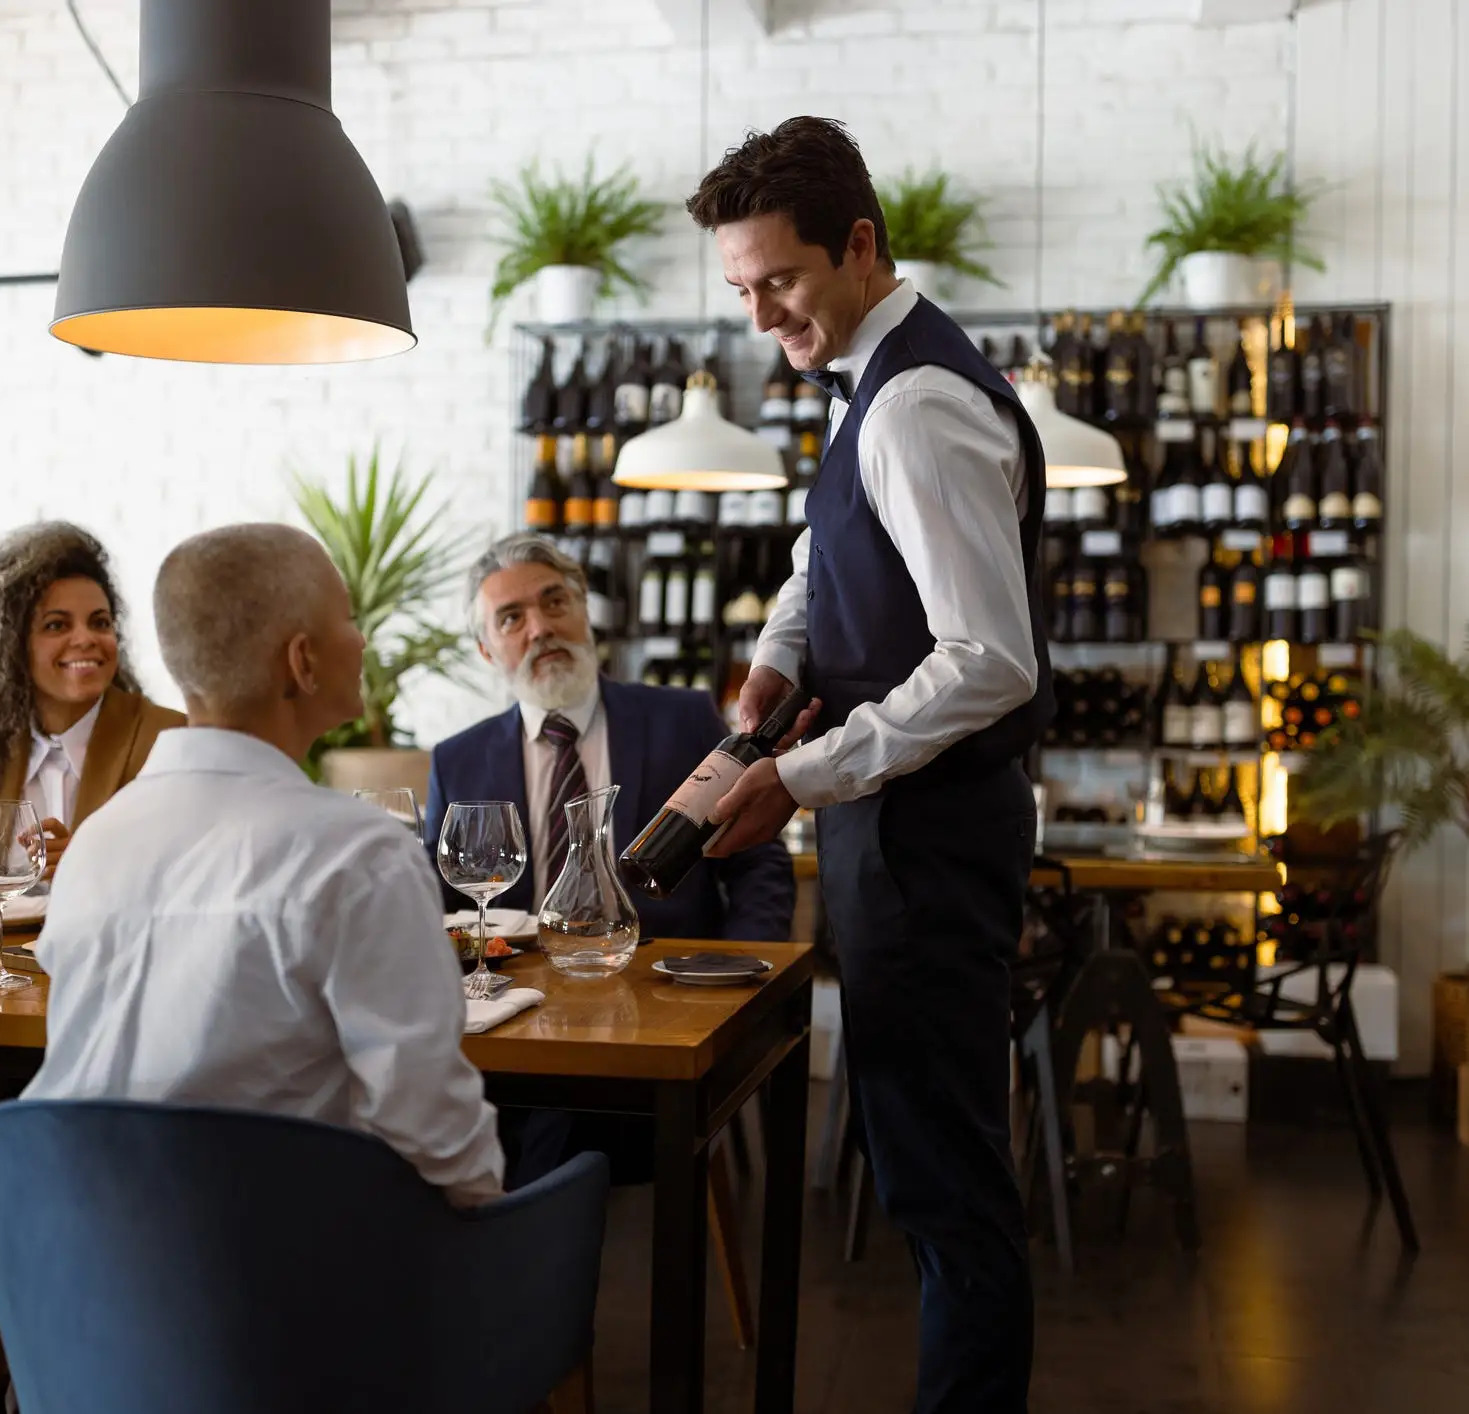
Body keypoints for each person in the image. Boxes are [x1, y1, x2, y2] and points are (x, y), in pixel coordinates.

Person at [688, 117, 1049, 1412]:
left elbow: (989, 659)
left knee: (947, 1183)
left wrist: (797, 773)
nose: (758, 312)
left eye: (776, 280)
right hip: (892, 825)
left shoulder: (916, 408)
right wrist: (780, 658)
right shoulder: (866, 382)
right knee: (919, 1167)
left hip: (930, 832)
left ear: (857, 243)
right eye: (738, 288)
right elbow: (820, 557)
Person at [22, 524, 505, 1207]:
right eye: (347, 619)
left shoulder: (95, 846)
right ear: (302, 662)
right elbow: (438, 1144)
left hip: (85, 1278)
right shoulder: (359, 854)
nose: (362, 640)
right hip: (282, 1287)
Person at [424, 533, 795, 943]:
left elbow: (757, 863)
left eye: (555, 602)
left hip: (666, 983)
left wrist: (742, 976)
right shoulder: (456, 761)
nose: (541, 628)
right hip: (519, 986)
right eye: (511, 618)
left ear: (584, 608)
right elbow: (438, 904)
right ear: (486, 651)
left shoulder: (683, 719)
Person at [0, 522, 184, 879]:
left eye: (100, 623)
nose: (86, 639)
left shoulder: (170, 741)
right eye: (56, 626)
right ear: (11, 646)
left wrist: (95, 865)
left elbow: (196, 873)